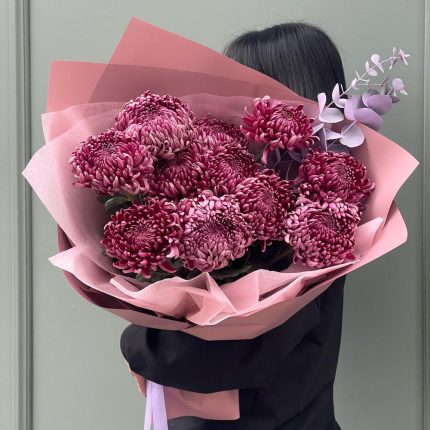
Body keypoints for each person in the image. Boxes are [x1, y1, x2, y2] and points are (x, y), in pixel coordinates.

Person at [121, 21, 347, 430]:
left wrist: (141, 344)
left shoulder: (295, 226)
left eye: (235, 87)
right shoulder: (327, 212)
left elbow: (223, 356)